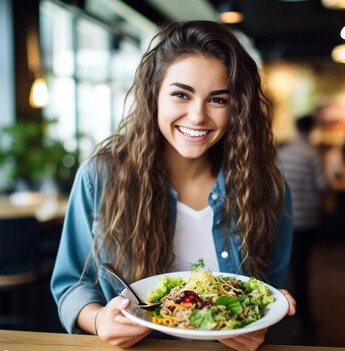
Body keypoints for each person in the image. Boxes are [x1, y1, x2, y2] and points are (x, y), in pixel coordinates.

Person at [51, 20, 295, 350]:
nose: (197, 116)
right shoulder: (101, 175)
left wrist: (262, 317)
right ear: (154, 94)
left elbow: (269, 291)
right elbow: (71, 285)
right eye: (181, 94)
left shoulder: (268, 188)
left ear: (237, 107)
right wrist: (98, 320)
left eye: (218, 100)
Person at [276, 114, 327, 333]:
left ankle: (283, 311)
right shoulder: (312, 153)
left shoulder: (282, 153)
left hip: (284, 219)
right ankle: (304, 317)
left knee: (285, 265)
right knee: (302, 268)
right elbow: (322, 184)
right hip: (306, 220)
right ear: (311, 129)